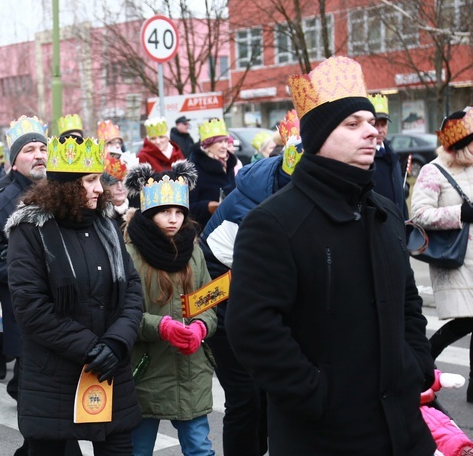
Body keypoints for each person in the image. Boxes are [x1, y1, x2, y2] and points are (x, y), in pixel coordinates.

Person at [225, 56, 435, 454]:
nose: (371, 132)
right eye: (352, 124)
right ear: (319, 136)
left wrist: (417, 365)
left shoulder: (386, 211)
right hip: (324, 437)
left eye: (371, 122)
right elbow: (253, 329)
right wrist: (316, 395)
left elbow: (408, 301)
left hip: (403, 430)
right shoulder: (274, 221)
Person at [6, 134, 143, 456]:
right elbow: (31, 308)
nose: (100, 189)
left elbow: (132, 290)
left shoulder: (106, 225)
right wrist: (90, 346)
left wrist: (115, 342)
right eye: (91, 181)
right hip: (54, 378)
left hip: (111, 370)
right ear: (67, 186)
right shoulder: (30, 231)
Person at [199, 110, 302, 456]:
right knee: (245, 397)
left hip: (252, 299)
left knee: (265, 394)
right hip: (221, 301)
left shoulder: (283, 187)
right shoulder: (257, 207)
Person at [123, 161, 217, 456]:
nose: (174, 219)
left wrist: (201, 326)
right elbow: (122, 313)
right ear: (149, 213)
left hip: (189, 368)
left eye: (179, 212)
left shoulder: (194, 250)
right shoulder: (128, 251)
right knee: (138, 449)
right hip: (145, 369)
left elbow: (209, 302)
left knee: (200, 448)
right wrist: (161, 326)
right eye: (165, 211)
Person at [0, 116, 48, 454]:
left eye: (43, 148)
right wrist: (29, 273)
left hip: (61, 304)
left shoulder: (62, 189)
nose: (39, 155)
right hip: (22, 304)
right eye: (30, 149)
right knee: (33, 388)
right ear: (14, 158)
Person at [411, 108, 473, 401]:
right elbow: (419, 214)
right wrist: (460, 212)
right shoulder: (432, 170)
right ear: (461, 142)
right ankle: (424, 358)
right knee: (467, 320)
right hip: (457, 258)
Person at [188, 118, 239, 229]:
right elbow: (189, 207)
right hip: (206, 229)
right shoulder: (195, 169)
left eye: (226, 141)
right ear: (207, 144)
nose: (224, 146)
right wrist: (209, 207)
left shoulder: (228, 164)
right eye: (219, 142)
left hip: (229, 225)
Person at [369, 94, 408, 218]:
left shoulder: (391, 153)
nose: (380, 130)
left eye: (383, 124)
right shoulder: (366, 158)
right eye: (376, 125)